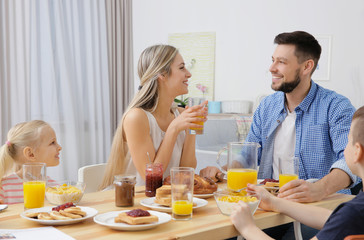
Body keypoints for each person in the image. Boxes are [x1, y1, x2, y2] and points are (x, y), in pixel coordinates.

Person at [200, 31, 357, 239]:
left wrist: (319, 188)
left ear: (307, 66)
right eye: (273, 60)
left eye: (281, 62)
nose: (272, 68)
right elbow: (249, 154)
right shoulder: (267, 105)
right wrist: (223, 172)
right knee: (221, 234)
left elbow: (350, 162)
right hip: (270, 205)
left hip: (320, 210)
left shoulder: (336, 106)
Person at [231, 105, 364, 240]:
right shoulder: (356, 208)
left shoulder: (353, 213)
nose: (344, 146)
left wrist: (248, 228)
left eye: (348, 140)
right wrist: (273, 202)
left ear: (357, 151)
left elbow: (343, 219)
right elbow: (334, 219)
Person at [99, 44, 208, 189]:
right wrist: (174, 128)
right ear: (162, 74)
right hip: (132, 202)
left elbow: (185, 175)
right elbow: (152, 180)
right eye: (181, 68)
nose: (189, 74)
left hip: (166, 201)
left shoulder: (180, 114)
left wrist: (192, 128)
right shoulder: (136, 118)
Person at [0, 120, 62, 204]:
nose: (59, 147)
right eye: (52, 142)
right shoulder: (4, 188)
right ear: (30, 154)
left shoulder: (54, 187)